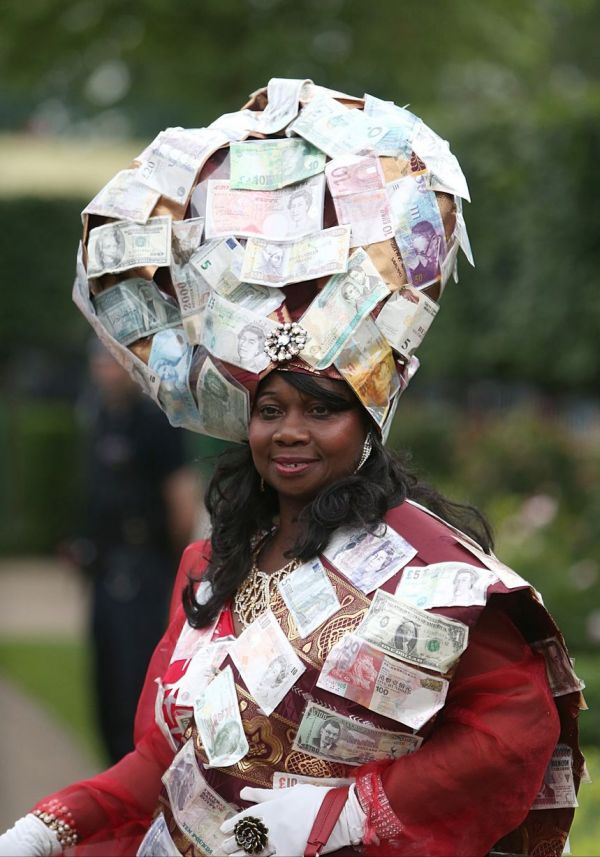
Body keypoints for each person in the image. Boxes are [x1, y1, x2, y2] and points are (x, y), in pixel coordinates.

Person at [0, 79, 582, 857]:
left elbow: (514, 732)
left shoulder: (433, 573)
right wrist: (55, 820)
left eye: (321, 409)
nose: (291, 433)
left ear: (367, 418)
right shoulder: (210, 566)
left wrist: (343, 813)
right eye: (271, 410)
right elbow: (166, 765)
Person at [67, 343, 200, 764]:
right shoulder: (102, 417)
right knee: (104, 685)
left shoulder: (155, 422)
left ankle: (140, 791)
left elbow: (182, 501)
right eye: (98, 360)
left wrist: (164, 562)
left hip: (143, 569)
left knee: (134, 684)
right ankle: (112, 781)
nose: (104, 369)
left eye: (112, 360)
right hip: (105, 569)